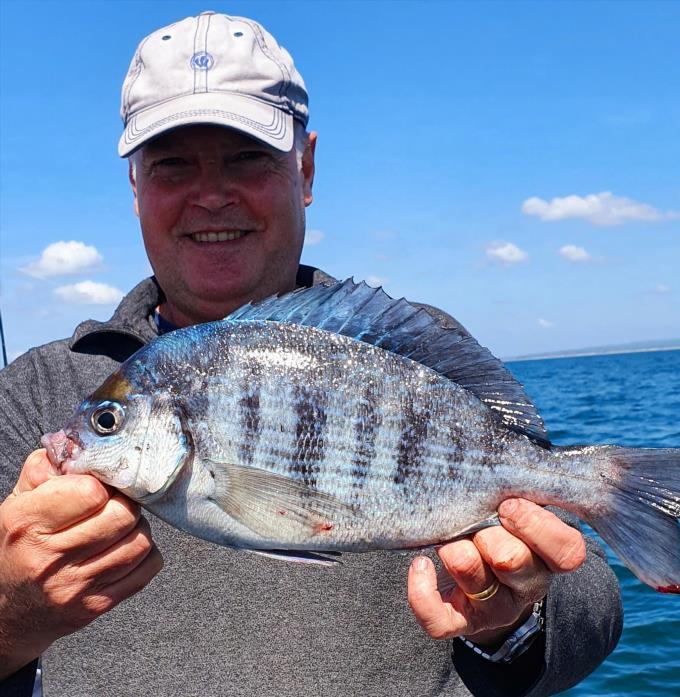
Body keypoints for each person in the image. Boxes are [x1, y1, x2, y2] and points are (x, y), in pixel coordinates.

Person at [0, 11, 622, 697]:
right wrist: (10, 614)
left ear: (306, 169)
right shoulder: (32, 388)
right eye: (173, 163)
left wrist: (517, 616)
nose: (211, 194)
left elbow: (592, 603)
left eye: (247, 157)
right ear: (136, 187)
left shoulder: (413, 350)